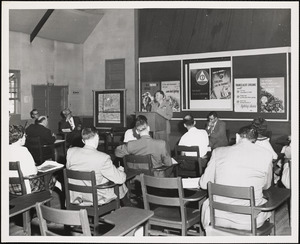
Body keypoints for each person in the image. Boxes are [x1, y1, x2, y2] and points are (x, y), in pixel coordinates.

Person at [199, 126, 273, 231]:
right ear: (255, 140)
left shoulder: (217, 152)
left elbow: (203, 184)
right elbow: (266, 185)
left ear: (237, 137)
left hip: (218, 218)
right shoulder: (266, 155)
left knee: (206, 203)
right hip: (250, 221)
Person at [66, 127, 131, 206]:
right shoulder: (103, 158)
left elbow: (72, 173)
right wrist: (120, 171)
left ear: (83, 141)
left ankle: (127, 205)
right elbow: (121, 179)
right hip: (95, 198)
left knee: (107, 177)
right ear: (97, 137)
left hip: (76, 197)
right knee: (119, 182)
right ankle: (127, 207)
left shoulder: (71, 152)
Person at [9, 125, 57, 194]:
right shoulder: (23, 150)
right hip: (24, 188)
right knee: (51, 179)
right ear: (20, 138)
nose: (26, 138)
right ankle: (43, 200)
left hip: (10, 189)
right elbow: (33, 172)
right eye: (25, 136)